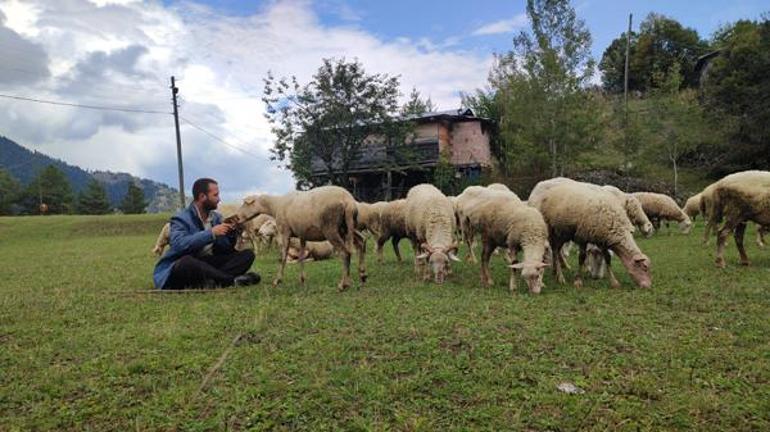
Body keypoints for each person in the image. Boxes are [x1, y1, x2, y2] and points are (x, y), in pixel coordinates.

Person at [153, 178, 260, 289]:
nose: (219, 199)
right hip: (182, 266)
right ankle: (231, 280)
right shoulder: (181, 219)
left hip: (207, 262)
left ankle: (211, 281)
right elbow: (179, 245)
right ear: (202, 197)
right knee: (187, 262)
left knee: (247, 255)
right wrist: (211, 233)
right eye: (215, 195)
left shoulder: (216, 218)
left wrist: (231, 232)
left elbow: (224, 249)